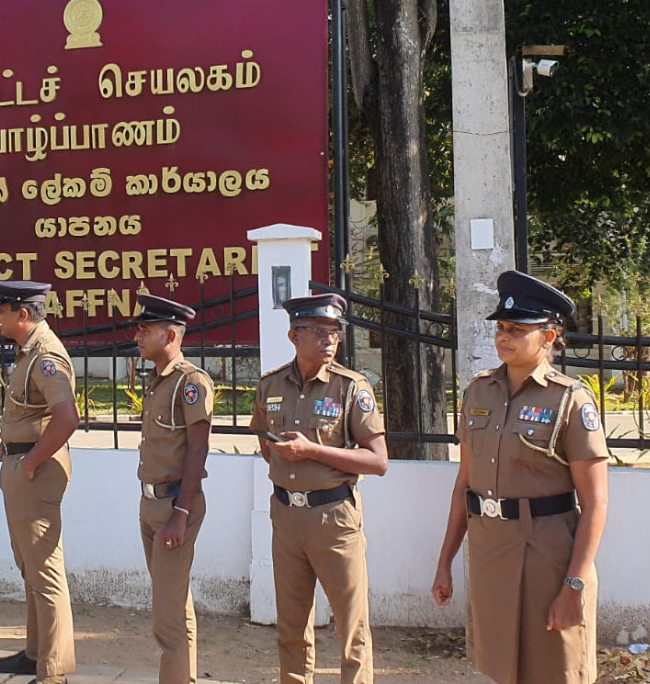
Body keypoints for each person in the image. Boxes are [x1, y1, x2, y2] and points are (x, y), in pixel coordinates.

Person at [431, 270, 609, 684]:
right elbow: (465, 484)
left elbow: (596, 502)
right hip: (492, 548)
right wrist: (445, 563)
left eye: (517, 329)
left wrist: (574, 585)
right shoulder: (479, 392)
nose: (504, 338)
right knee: (501, 665)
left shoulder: (570, 400)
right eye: (501, 328)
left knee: (554, 667)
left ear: (548, 338)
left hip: (549, 551)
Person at [249, 293, 388, 684]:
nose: (329, 340)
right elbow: (266, 446)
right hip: (287, 517)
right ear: (294, 335)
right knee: (291, 625)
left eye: (334, 333)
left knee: (351, 628)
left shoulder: (350, 388)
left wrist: (313, 451)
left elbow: (378, 460)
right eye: (318, 332)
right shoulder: (271, 385)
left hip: (334, 520)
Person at [0, 280, 80, 684]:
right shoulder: (28, 351)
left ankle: (53, 670)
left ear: (22, 313)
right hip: (23, 462)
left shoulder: (46, 356)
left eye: (2, 309)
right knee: (29, 565)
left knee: (44, 570)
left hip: (36, 472)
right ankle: (35, 652)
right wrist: (13, 446)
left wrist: (31, 461)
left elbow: (67, 417)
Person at [133, 293, 214, 684]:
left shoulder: (190, 382)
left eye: (144, 330)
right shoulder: (155, 381)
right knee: (175, 604)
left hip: (174, 506)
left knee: (166, 614)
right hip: (152, 504)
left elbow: (198, 449)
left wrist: (180, 514)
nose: (137, 336)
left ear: (169, 334)